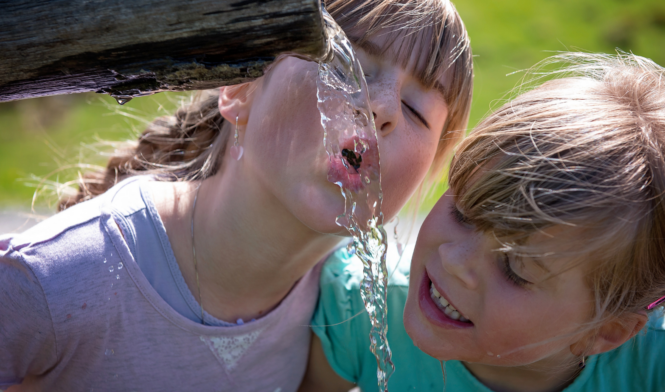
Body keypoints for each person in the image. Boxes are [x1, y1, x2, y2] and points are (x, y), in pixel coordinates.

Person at [0, 1, 474, 390]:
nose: (382, 108)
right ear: (240, 89)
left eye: (416, 110)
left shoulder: (344, 314)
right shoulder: (61, 276)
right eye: (348, 67)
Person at [303, 52, 665, 392]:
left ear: (604, 332)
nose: (455, 260)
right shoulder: (363, 311)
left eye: (514, 269)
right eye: (463, 213)